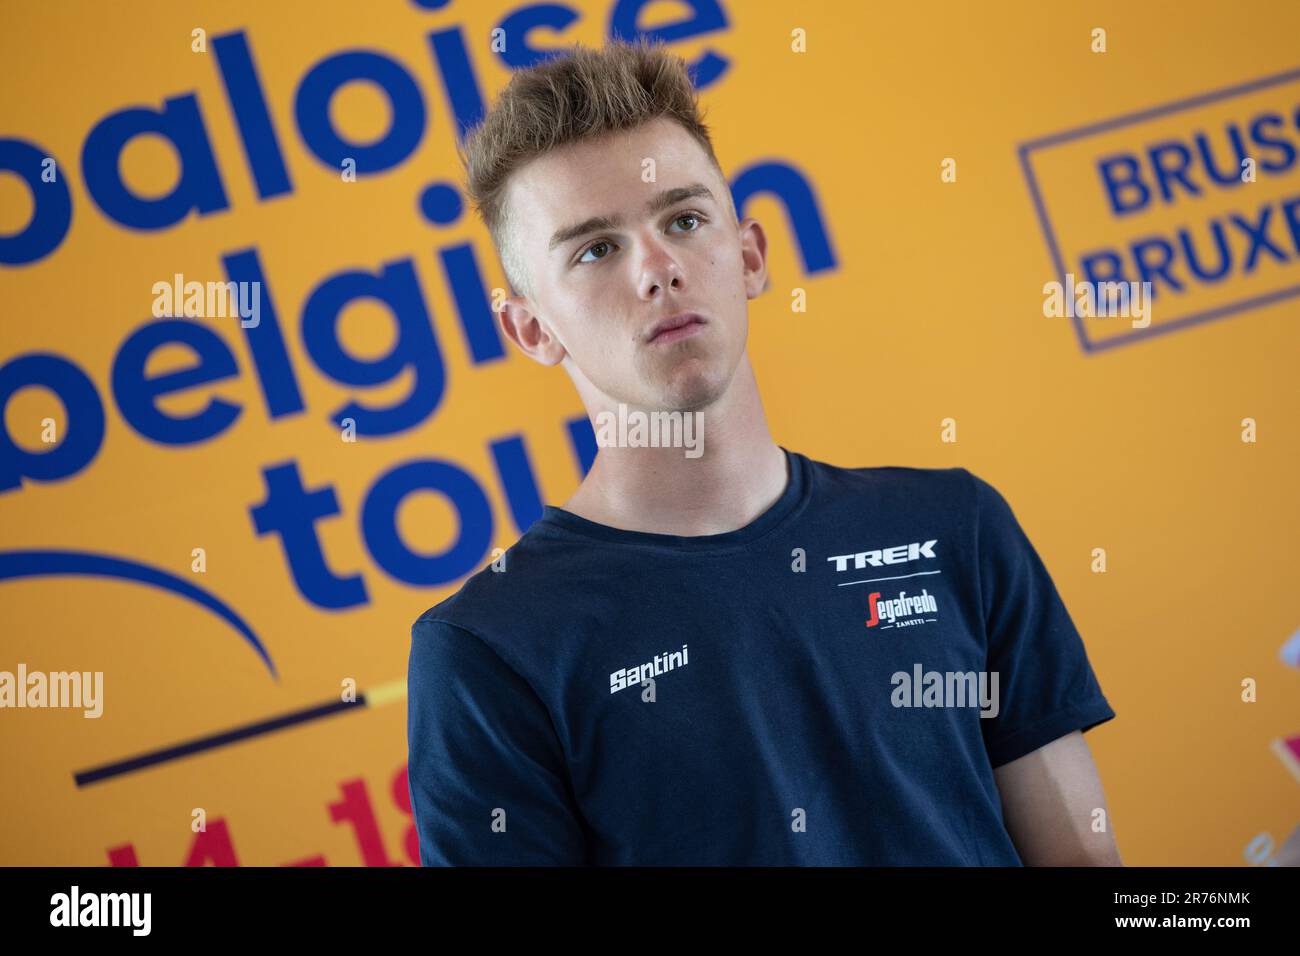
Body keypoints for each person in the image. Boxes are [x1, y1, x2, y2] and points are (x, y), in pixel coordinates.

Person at [406, 38, 1121, 866]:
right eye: (596, 249)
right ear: (529, 328)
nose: (659, 269)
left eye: (683, 220)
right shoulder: (490, 653)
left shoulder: (953, 528)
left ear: (748, 255)